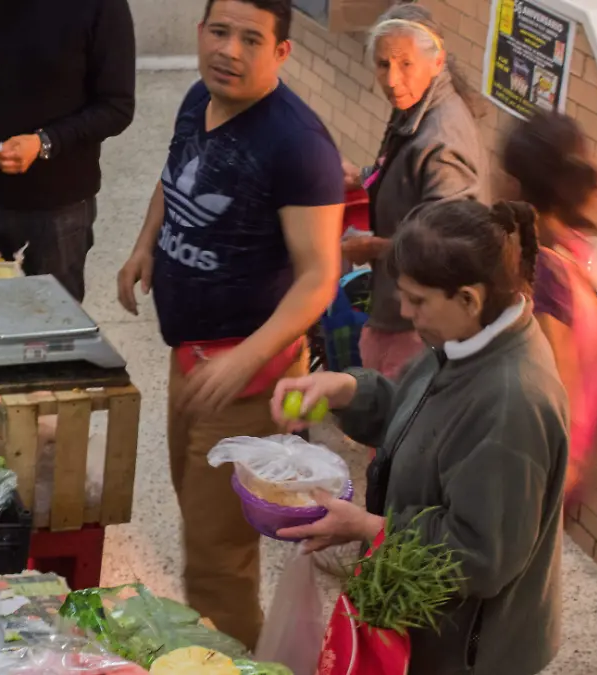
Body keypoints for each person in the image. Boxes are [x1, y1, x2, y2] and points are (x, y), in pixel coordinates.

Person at [116, 0, 343, 648]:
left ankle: (231, 662)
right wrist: (143, 244)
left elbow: (319, 277)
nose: (230, 51)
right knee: (200, 525)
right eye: (219, 32)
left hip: (249, 381)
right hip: (191, 357)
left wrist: (242, 360)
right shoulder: (199, 97)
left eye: (251, 39)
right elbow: (176, 177)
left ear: (282, 52)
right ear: (199, 32)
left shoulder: (299, 145)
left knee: (218, 564)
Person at [273, 200, 566, 675]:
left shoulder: (513, 402)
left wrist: (367, 527)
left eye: (418, 299)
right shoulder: (461, 340)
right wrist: (344, 390)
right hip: (424, 621)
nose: (406, 311)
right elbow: (416, 419)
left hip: (470, 652)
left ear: (469, 298)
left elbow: (482, 554)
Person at [342, 4, 487, 380]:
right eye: (382, 64)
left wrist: (370, 247)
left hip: (419, 326)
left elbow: (444, 245)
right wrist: (362, 177)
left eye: (405, 63)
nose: (391, 79)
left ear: (437, 62)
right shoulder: (415, 105)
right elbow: (399, 168)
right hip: (397, 300)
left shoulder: (441, 141)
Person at [0, 0, 136, 302]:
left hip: (59, 208)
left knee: (54, 331)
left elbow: (117, 106)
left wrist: (44, 142)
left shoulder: (102, 7)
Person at [501, 111, 597, 499]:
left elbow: (550, 390)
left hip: (539, 477)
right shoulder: (575, 251)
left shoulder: (545, 272)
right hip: (566, 467)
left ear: (516, 184)